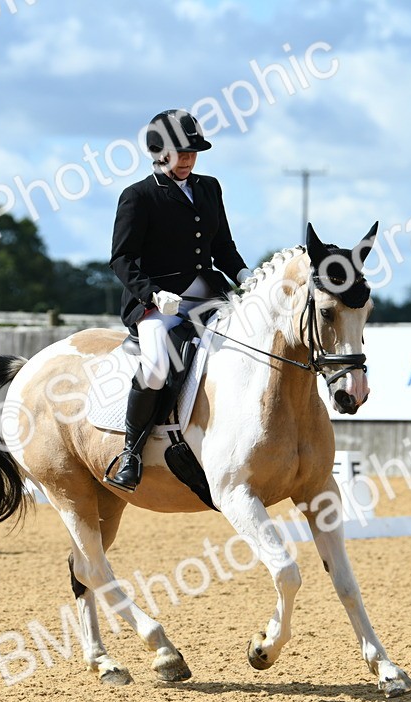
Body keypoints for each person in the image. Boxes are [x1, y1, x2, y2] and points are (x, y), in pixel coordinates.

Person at [104, 109, 252, 492]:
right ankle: (132, 453)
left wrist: (244, 275)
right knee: (155, 365)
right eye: (180, 152)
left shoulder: (209, 187)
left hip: (207, 294)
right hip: (158, 302)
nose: (187, 159)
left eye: (192, 153)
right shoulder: (137, 196)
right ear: (158, 152)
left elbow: (222, 246)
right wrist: (151, 293)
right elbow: (121, 259)